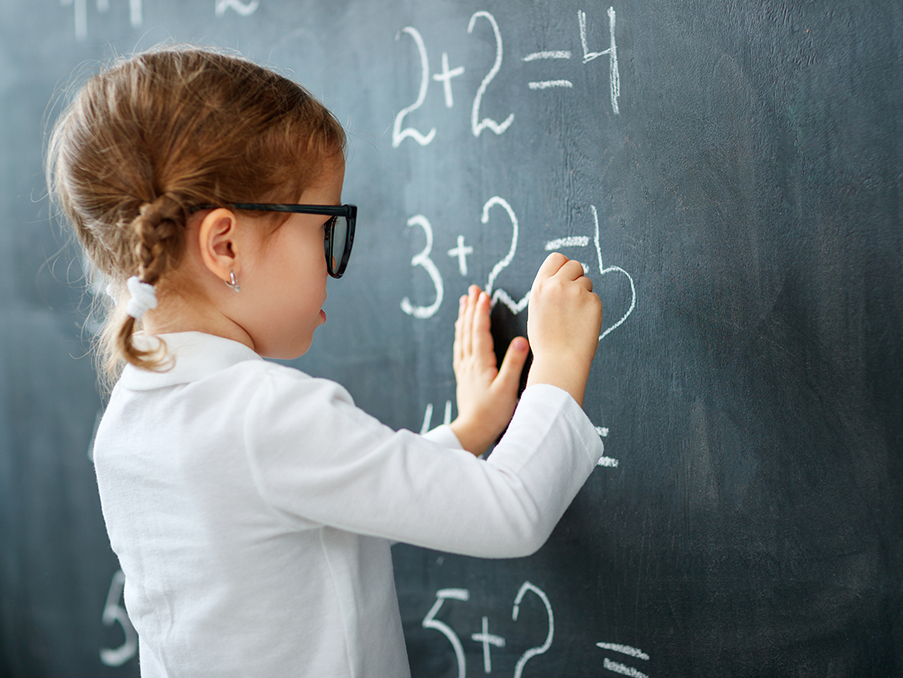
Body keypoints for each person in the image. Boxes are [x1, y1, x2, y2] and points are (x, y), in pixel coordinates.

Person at [47, 45, 603, 677]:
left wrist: (466, 432)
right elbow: (513, 513)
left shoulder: (131, 422)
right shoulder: (264, 414)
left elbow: (320, 514)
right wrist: (558, 364)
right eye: (324, 228)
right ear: (224, 245)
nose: (334, 258)